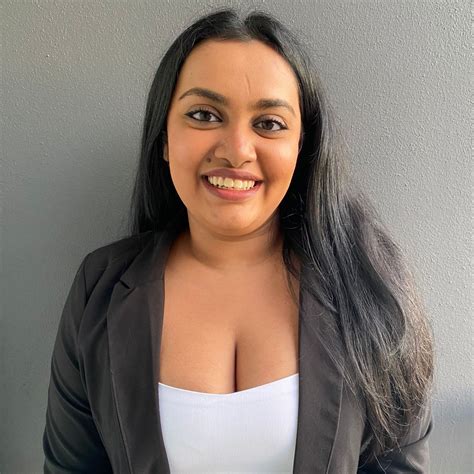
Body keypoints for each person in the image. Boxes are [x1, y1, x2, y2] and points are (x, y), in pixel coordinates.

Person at [42, 7, 434, 473]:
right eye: (204, 115)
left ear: (302, 147)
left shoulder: (368, 287)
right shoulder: (100, 289)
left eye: (269, 123)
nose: (236, 150)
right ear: (164, 138)